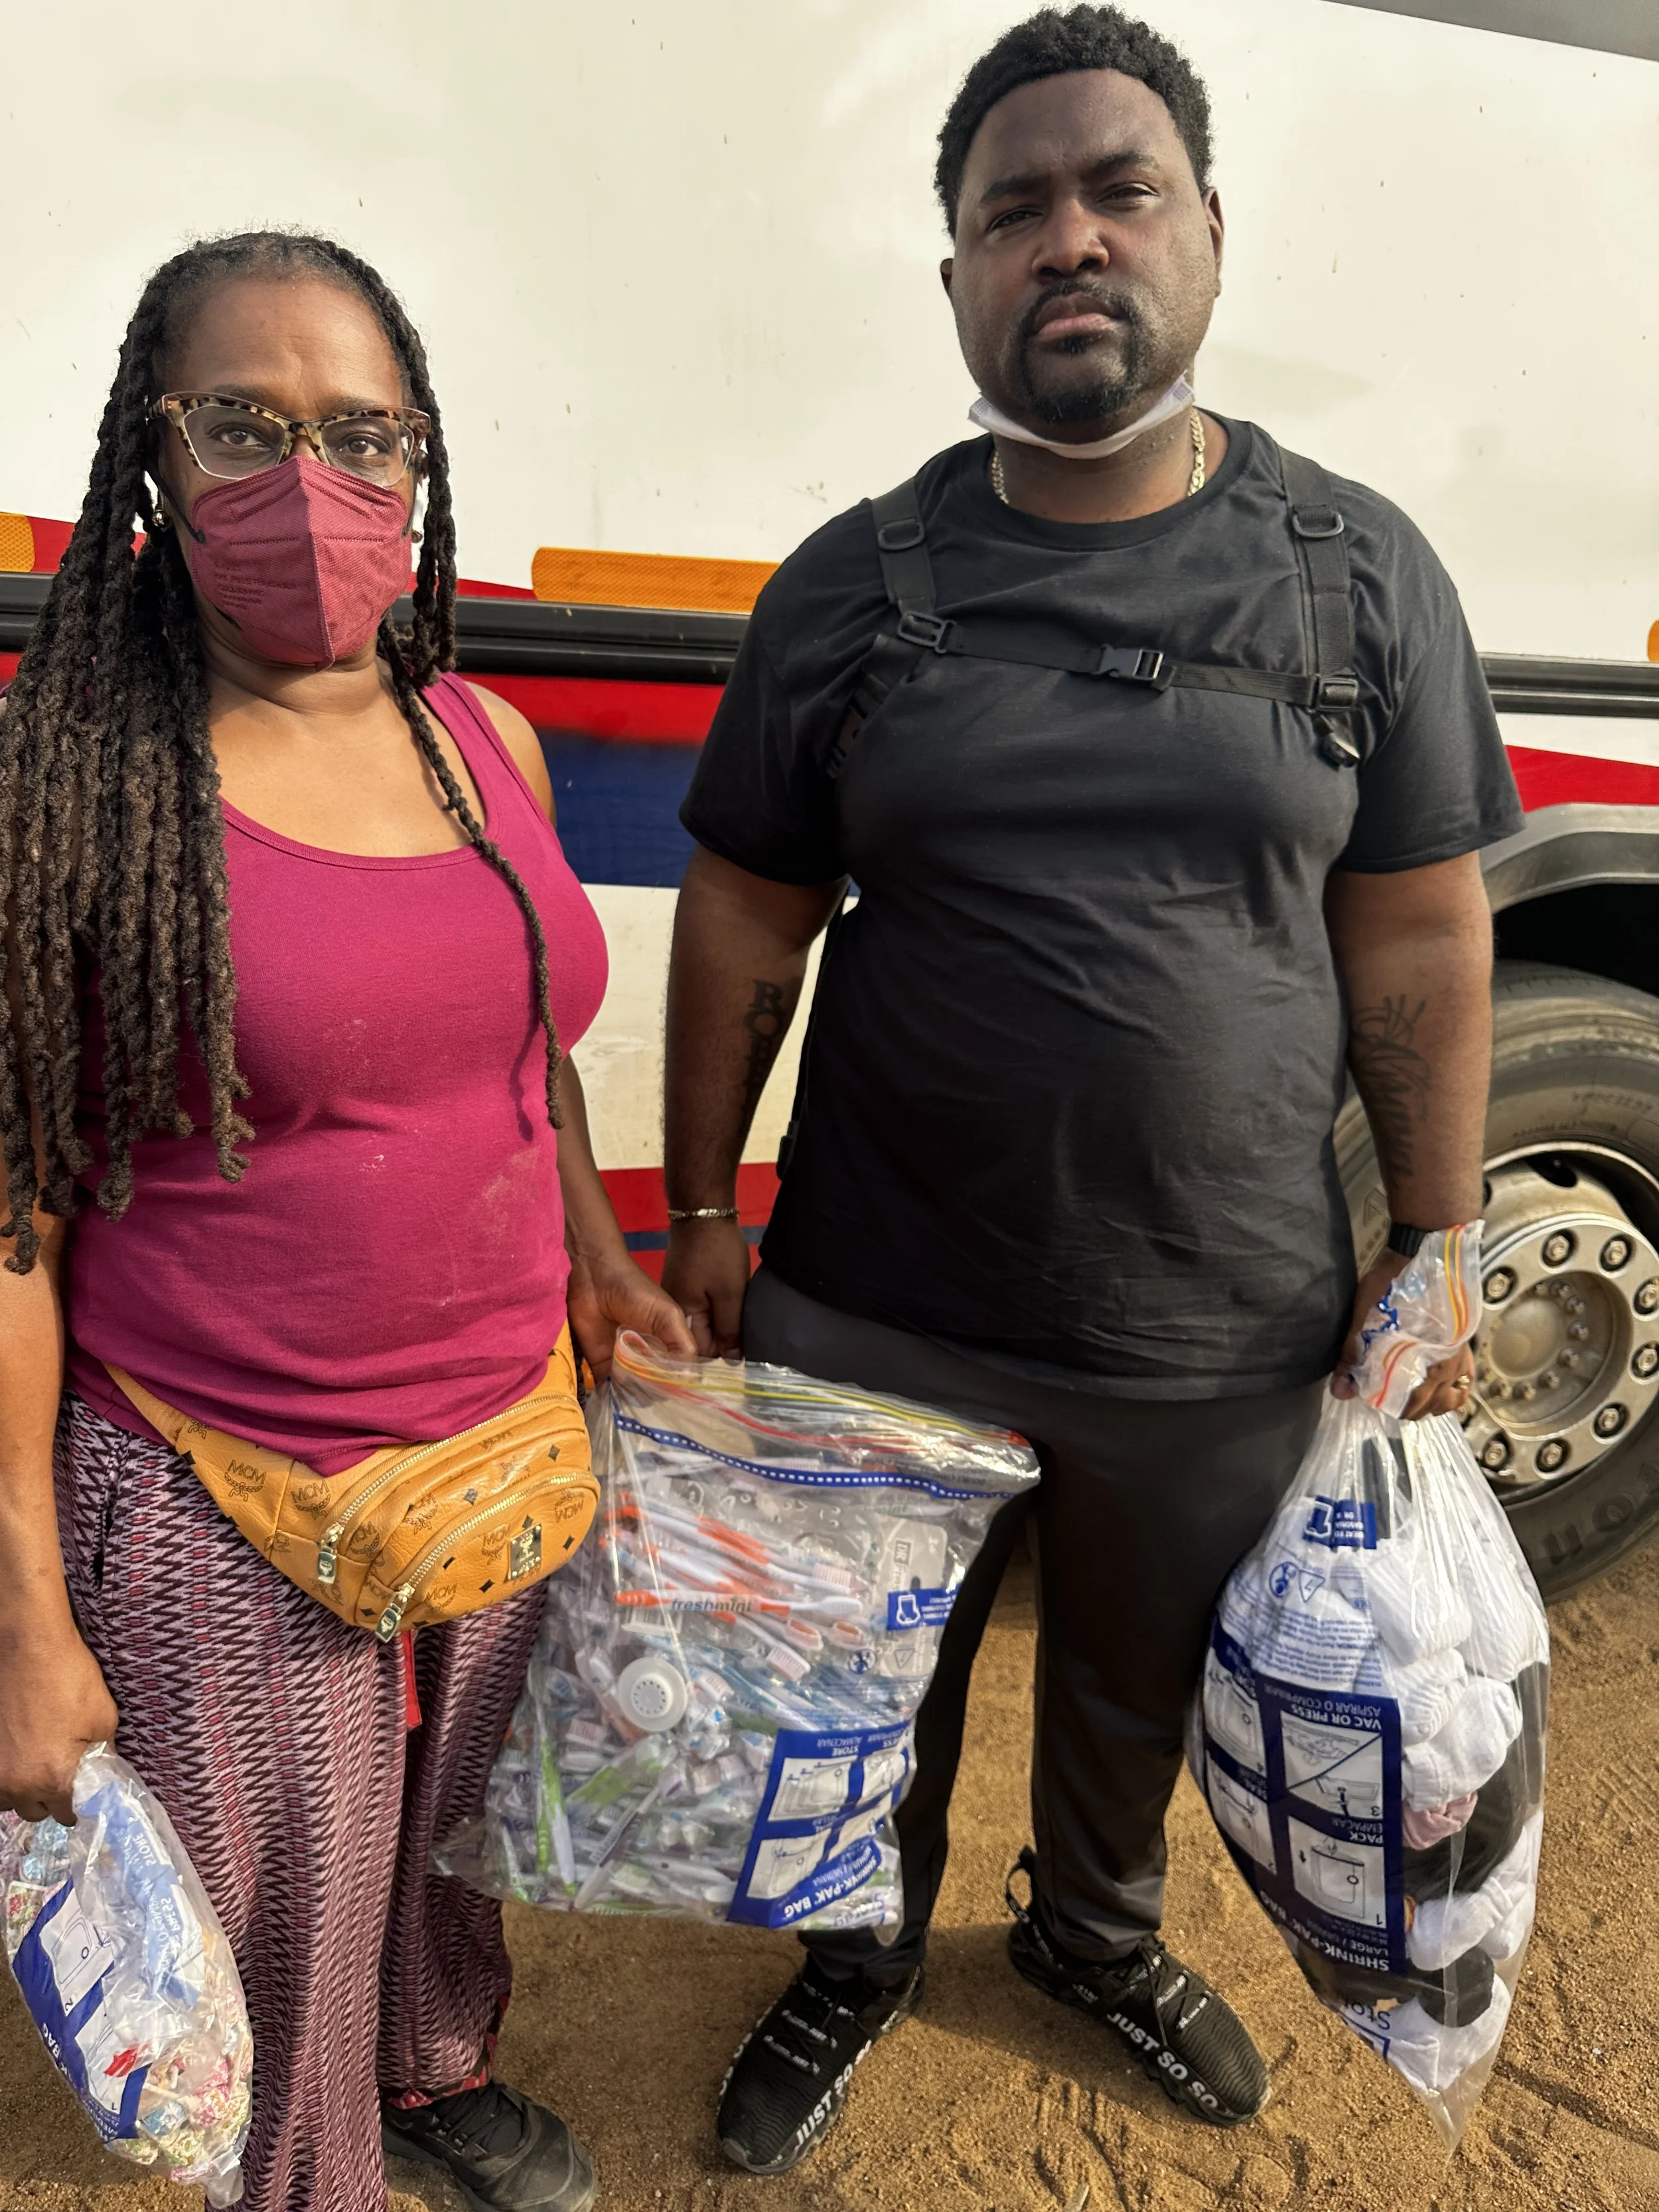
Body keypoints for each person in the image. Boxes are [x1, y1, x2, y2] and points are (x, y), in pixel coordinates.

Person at [661, 3, 1522, 2174]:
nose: (1067, 239)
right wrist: (695, 1219)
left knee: (1132, 1684)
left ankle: (1089, 1930)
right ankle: (853, 1949)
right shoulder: (852, 584)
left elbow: (1414, 924)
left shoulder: (1356, 577)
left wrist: (1432, 1231)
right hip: (877, 1294)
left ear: (1205, 233)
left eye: (1114, 190)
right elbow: (747, 913)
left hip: (1214, 1315)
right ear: (950, 270)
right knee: (874, 1679)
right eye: (1008, 207)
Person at [0, 231, 691, 2212]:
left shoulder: (487, 744)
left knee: (449, 1835)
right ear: (153, 452)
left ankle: (434, 2060)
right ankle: (313, 2174)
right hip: (222, 1491)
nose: (312, 487)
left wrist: (607, 1267)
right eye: (245, 426)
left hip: (499, 1447)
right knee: (276, 1926)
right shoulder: (74, 788)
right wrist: (26, 1617)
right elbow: (13, 1225)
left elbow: (525, 1059)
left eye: (361, 435)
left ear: (420, 466)